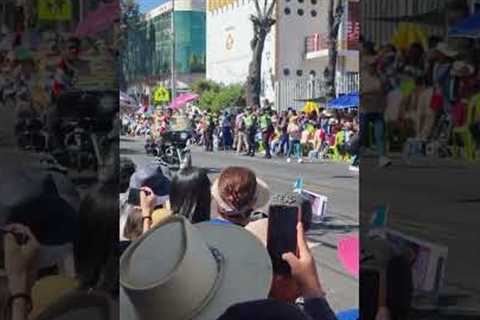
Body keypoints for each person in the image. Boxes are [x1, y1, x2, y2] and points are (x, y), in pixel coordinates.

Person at [360, 54, 391, 167]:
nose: (372, 67)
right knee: (362, 134)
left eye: (374, 65)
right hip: (364, 111)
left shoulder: (381, 77)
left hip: (378, 110)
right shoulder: (362, 78)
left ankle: (382, 157)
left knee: (380, 134)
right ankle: (356, 154)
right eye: (370, 65)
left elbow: (387, 90)